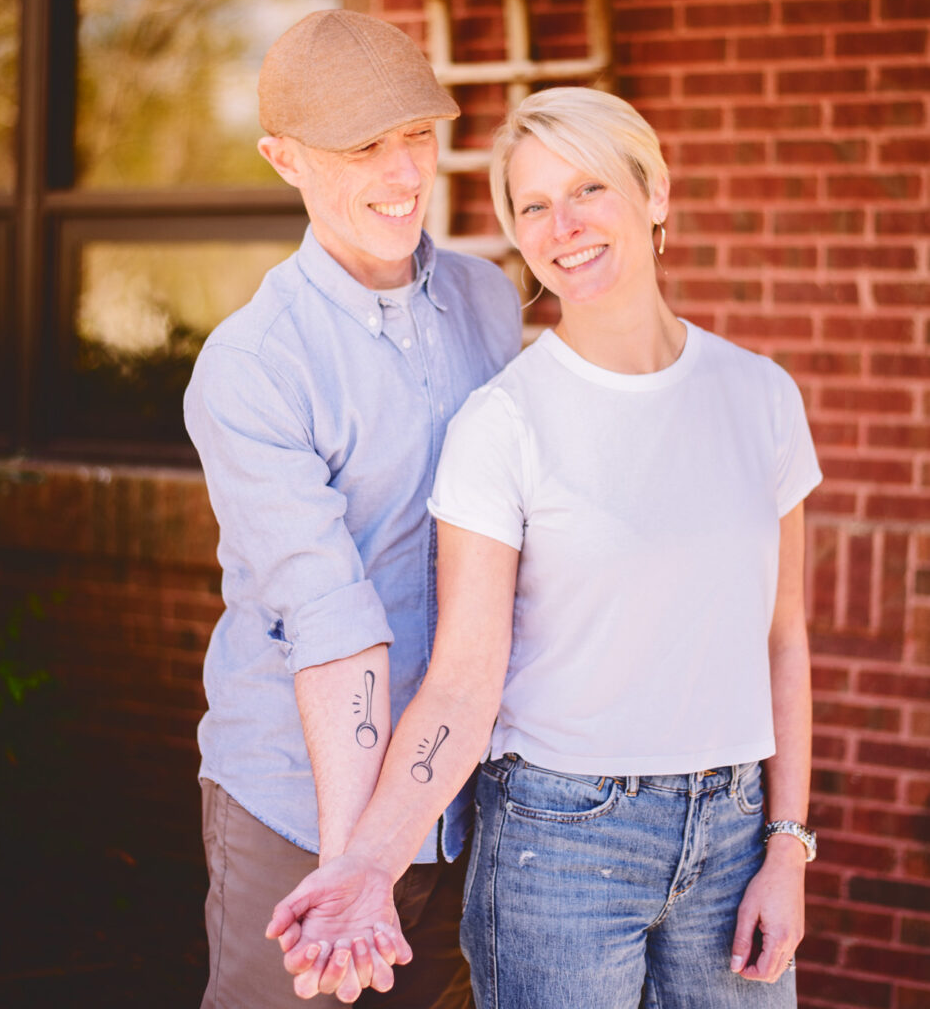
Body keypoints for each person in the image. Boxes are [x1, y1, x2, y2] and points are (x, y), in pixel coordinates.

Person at [266, 86, 823, 1008]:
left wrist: (786, 844)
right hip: (558, 840)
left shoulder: (760, 396)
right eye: (532, 205)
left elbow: (783, 640)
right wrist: (368, 858)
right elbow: (461, 680)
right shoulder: (503, 424)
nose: (563, 225)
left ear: (654, 196)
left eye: (589, 189)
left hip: (734, 833)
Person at [183, 8, 522, 1009]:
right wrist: (351, 871)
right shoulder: (252, 367)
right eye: (362, 146)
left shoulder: (488, 300)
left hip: (461, 800)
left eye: (417, 135)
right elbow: (330, 622)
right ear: (284, 159)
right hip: (298, 812)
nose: (404, 173)